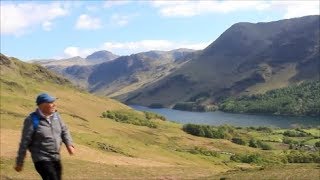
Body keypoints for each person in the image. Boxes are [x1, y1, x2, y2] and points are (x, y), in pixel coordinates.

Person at [15, 93, 75, 180]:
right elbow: (24, 142)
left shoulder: (56, 116)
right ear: (42, 105)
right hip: (41, 158)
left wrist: (69, 144)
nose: (55, 105)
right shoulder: (32, 120)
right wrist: (19, 162)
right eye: (51, 103)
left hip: (55, 157)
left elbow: (64, 130)